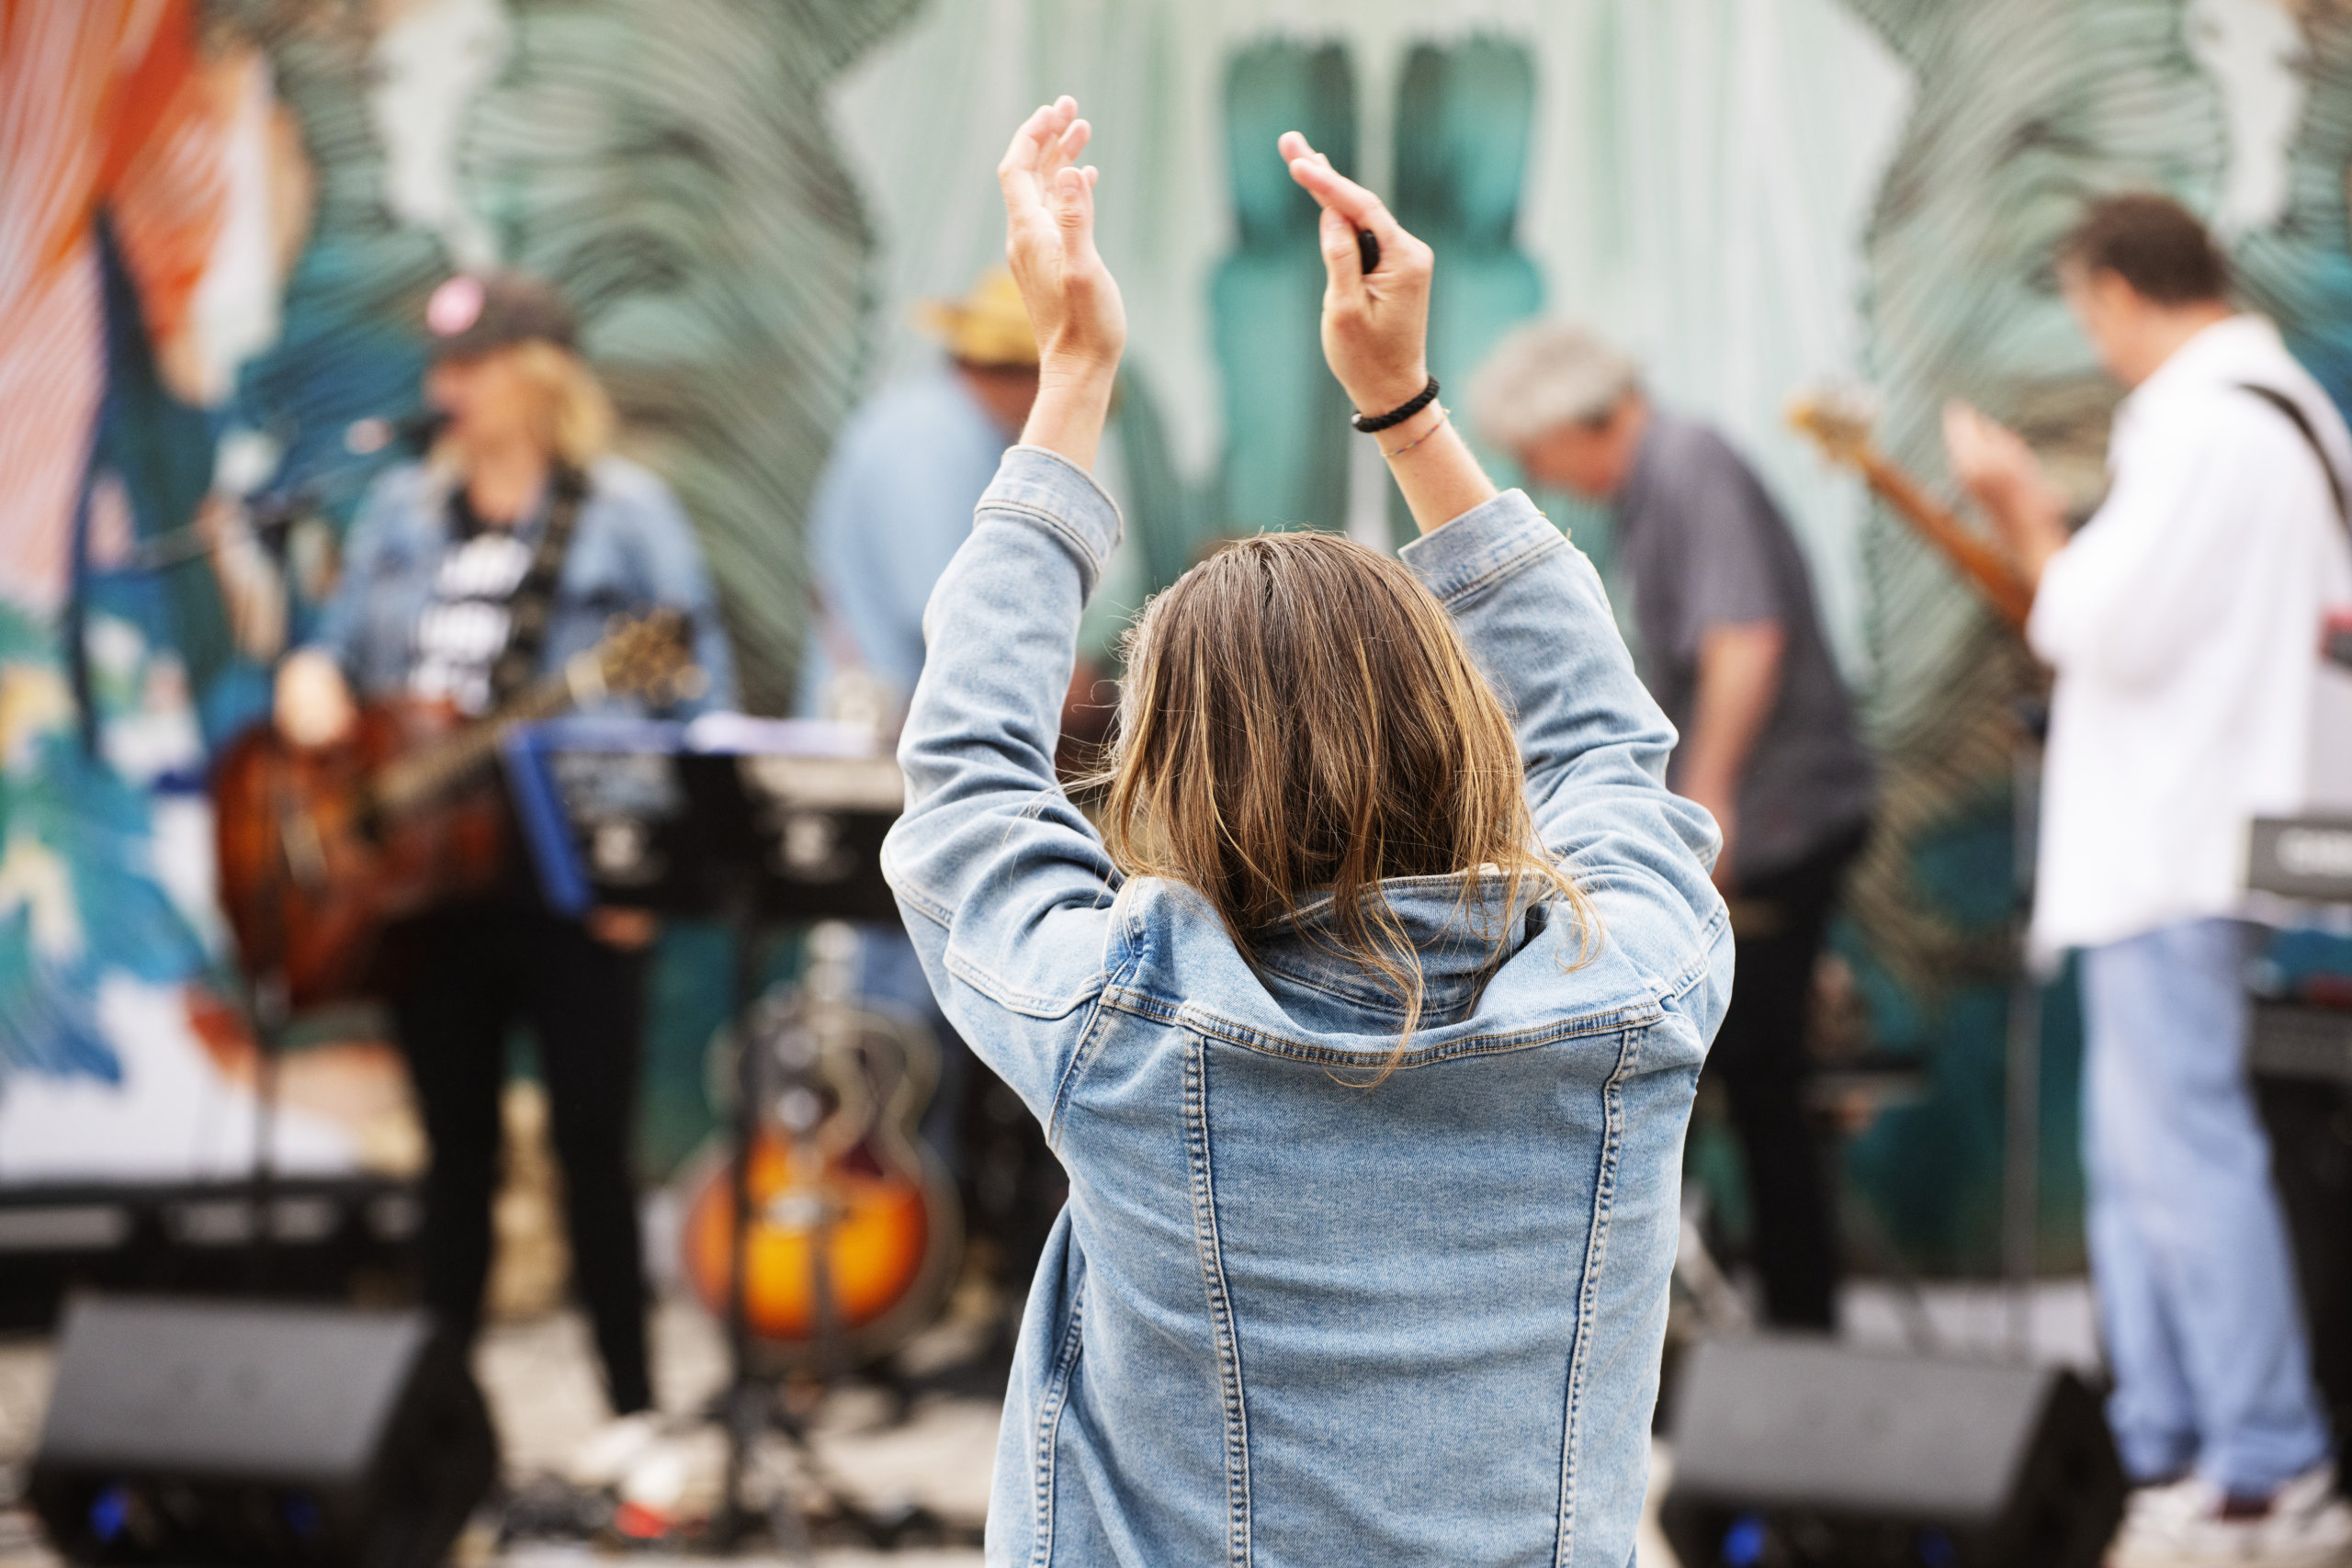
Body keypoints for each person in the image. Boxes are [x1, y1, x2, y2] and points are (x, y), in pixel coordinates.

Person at [880, 96, 1727, 1562]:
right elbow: (1603, 733)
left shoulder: (1125, 1026)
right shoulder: (1638, 987)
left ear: (1169, 778)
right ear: (1463, 730)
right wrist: (1411, 409)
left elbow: (964, 769)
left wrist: (1071, 368)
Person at [1946, 192, 2352, 1565]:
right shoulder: (2295, 416)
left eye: (2085, 310)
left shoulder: (2202, 420)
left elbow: (2088, 618)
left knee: (2184, 1157)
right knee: (2148, 1163)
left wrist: (2019, 510)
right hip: (2214, 834)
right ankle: (2180, 1444)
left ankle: (2263, 1456)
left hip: (2170, 845)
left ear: (2117, 291)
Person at [275, 270, 736, 1439]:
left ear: (535, 376)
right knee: (455, 1159)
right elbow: (337, 655)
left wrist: (649, 871)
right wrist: (314, 679)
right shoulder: (396, 516)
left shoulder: (623, 513)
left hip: (572, 883)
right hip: (423, 891)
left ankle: (631, 1417)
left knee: (591, 1147)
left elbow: (696, 691)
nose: (448, 390)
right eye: (440, 369)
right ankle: (432, 1434)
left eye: (470, 366)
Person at [1469, 325, 1872, 1331]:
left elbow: (1745, 642)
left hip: (1778, 816)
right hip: (1761, 812)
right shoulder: (1658, 486)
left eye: (1534, 451)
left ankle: (1796, 1340)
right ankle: (1771, 1333)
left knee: (1760, 1087)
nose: (1537, 475)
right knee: (1751, 1087)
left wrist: (1708, 803)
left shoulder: (1689, 464)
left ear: (1579, 420)